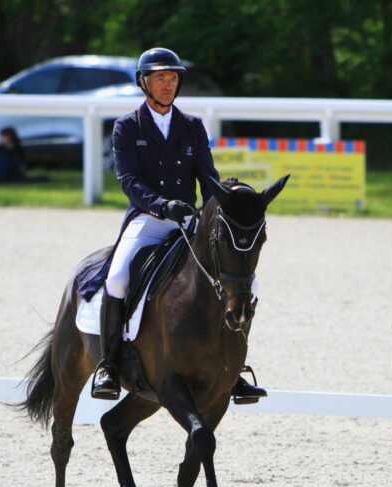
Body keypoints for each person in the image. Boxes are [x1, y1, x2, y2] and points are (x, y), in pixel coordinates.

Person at [86, 47, 267, 403]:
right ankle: (108, 363)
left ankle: (235, 368)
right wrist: (160, 205)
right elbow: (128, 180)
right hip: (149, 221)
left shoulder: (193, 127)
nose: (167, 85)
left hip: (189, 223)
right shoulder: (127, 127)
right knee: (119, 275)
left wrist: (223, 200)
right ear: (144, 83)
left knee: (247, 281)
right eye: (160, 79)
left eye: (172, 79)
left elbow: (207, 177)